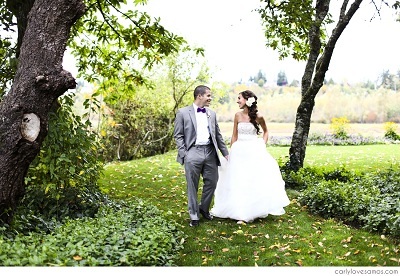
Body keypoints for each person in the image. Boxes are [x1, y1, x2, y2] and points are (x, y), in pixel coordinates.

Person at [210, 90, 290, 223]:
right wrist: (230, 152)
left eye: (239, 98)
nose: (237, 101)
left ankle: (252, 210)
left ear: (247, 100)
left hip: (253, 151)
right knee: (238, 179)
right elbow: (234, 135)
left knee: (252, 180)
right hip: (239, 150)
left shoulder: (258, 116)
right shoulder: (237, 115)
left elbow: (266, 132)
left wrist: (262, 145)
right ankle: (239, 210)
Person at [173, 85, 229, 227]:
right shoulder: (183, 113)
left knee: (212, 181)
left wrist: (225, 153)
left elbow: (218, 135)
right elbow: (178, 135)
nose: (210, 98)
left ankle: (204, 208)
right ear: (199, 96)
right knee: (192, 185)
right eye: (208, 95)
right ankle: (194, 216)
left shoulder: (212, 113)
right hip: (192, 152)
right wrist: (184, 154)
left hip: (210, 152)